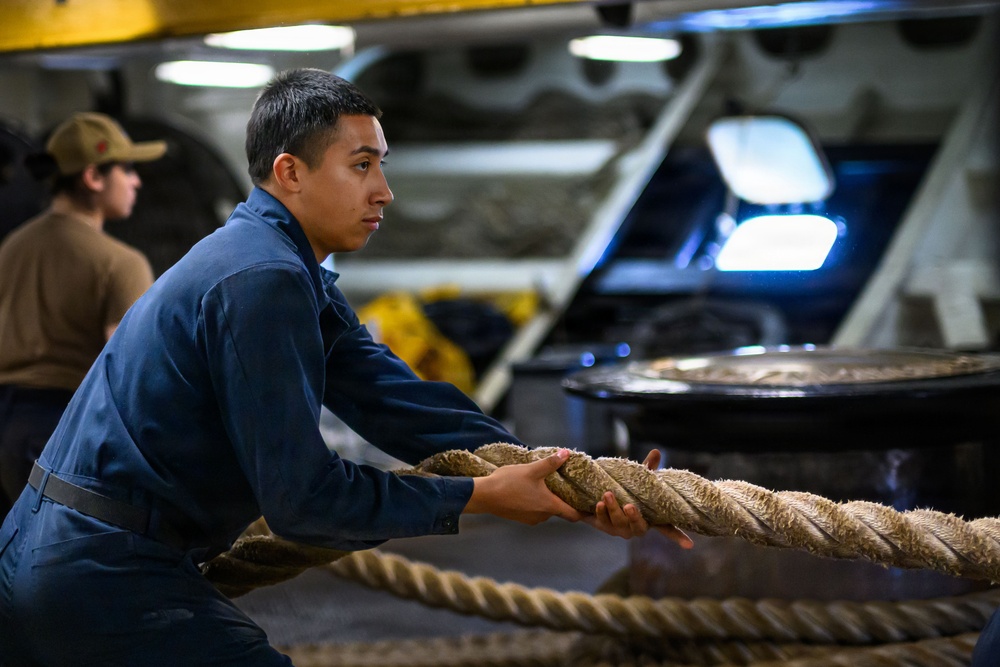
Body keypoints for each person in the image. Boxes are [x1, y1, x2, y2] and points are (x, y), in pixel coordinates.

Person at [0, 69, 692, 666]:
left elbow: (398, 400)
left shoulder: (277, 264)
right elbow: (303, 500)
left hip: (51, 552)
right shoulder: (262, 279)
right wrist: (477, 497)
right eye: (361, 165)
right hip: (100, 569)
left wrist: (581, 482)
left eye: (381, 163)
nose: (384, 189)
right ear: (290, 172)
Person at [0, 112, 165, 519]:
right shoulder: (120, 263)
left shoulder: (11, 248)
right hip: (66, 433)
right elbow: (132, 376)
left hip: (6, 425)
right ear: (93, 177)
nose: (136, 181)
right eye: (126, 169)